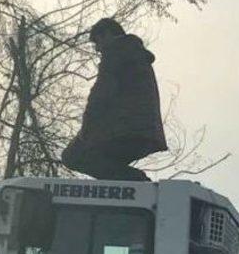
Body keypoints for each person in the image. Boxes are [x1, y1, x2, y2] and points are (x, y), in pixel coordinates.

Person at [61, 18, 167, 181]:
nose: (97, 48)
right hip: (145, 132)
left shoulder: (116, 50)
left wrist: (87, 127)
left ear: (108, 34)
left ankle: (137, 182)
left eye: (98, 41)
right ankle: (131, 189)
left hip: (123, 129)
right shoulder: (136, 55)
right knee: (109, 168)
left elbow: (102, 92)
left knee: (72, 156)